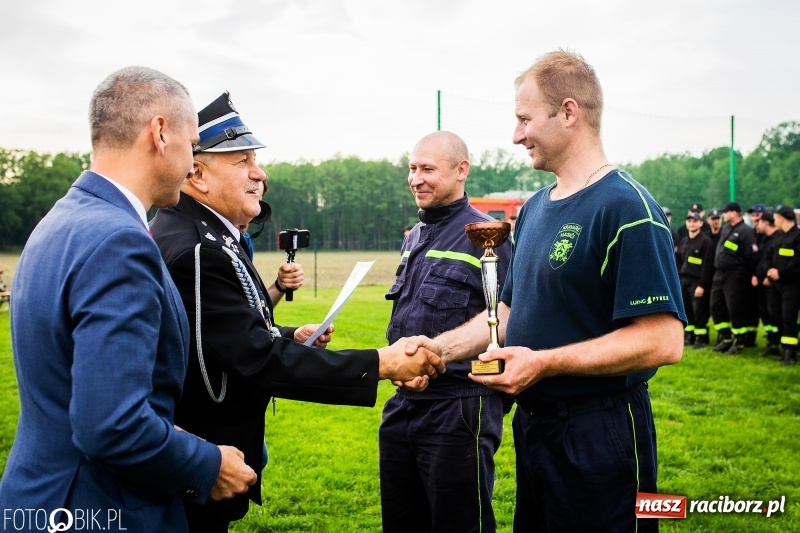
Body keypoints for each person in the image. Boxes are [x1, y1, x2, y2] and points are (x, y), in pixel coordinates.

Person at [150, 92, 444, 532]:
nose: (260, 173)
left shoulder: (205, 235)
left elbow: (219, 335)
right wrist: (381, 363)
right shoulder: (197, 247)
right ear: (197, 172)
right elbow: (253, 359)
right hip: (200, 462)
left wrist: (286, 336)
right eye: (242, 160)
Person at [419, 49, 685, 532]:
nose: (516, 134)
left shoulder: (627, 208)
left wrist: (544, 363)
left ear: (568, 112)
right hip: (537, 427)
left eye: (524, 119)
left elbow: (662, 341)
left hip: (600, 431)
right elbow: (505, 311)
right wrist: (436, 351)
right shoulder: (537, 207)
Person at [0, 67, 257, 532]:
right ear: (160, 133)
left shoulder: (62, 219)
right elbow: (111, 425)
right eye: (192, 143)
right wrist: (207, 464)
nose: (190, 161)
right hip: (98, 508)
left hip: (40, 496)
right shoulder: (120, 241)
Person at [380, 131, 512, 533]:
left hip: (458, 410)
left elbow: (507, 320)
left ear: (461, 171)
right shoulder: (415, 236)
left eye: (428, 169)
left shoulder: (488, 238)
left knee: (459, 525)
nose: (416, 178)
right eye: (412, 168)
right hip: (404, 404)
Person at [710, 202, 759, 354]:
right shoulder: (727, 229)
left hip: (736, 274)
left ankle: (740, 340)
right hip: (720, 273)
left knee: (735, 308)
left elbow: (752, 256)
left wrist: (753, 274)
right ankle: (725, 337)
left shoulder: (745, 231)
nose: (723, 215)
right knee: (716, 305)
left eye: (725, 212)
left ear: (735, 213)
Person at [766, 205, 800, 365]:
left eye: (776, 218)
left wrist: (781, 272)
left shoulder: (797, 236)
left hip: (792, 285)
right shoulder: (779, 237)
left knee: (789, 317)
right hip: (776, 285)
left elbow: (797, 261)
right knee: (777, 315)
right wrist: (770, 271)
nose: (774, 221)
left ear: (782, 218)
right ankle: (783, 346)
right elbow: (769, 256)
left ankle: (790, 352)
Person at [677, 212, 715, 348]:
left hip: (697, 282)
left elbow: (707, 265)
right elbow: (680, 260)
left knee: (700, 311)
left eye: (695, 221)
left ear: (700, 223)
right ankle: (690, 336)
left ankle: (701, 338)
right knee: (687, 310)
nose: (691, 223)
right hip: (684, 280)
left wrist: (702, 284)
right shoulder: (684, 241)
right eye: (689, 221)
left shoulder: (706, 242)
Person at [753, 211, 782, 356]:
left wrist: (769, 278)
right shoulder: (764, 239)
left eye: (760, 222)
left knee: (775, 314)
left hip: (773, 285)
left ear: (766, 222)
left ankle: (777, 342)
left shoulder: (778, 239)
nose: (757, 224)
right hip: (761, 283)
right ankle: (772, 341)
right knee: (766, 314)